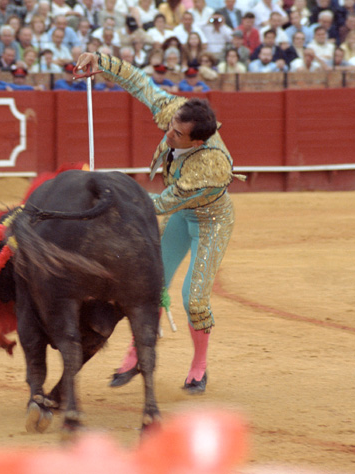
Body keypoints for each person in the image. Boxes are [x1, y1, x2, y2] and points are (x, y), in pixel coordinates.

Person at [75, 50, 240, 394]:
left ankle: (199, 365)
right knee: (148, 284)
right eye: (171, 126)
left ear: (198, 141)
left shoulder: (211, 167)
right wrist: (100, 62)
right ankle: (137, 352)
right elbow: (139, 82)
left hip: (211, 221)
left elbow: (163, 202)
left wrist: (112, 198)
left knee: (193, 298)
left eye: (177, 134)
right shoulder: (177, 115)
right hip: (183, 215)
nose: (168, 134)